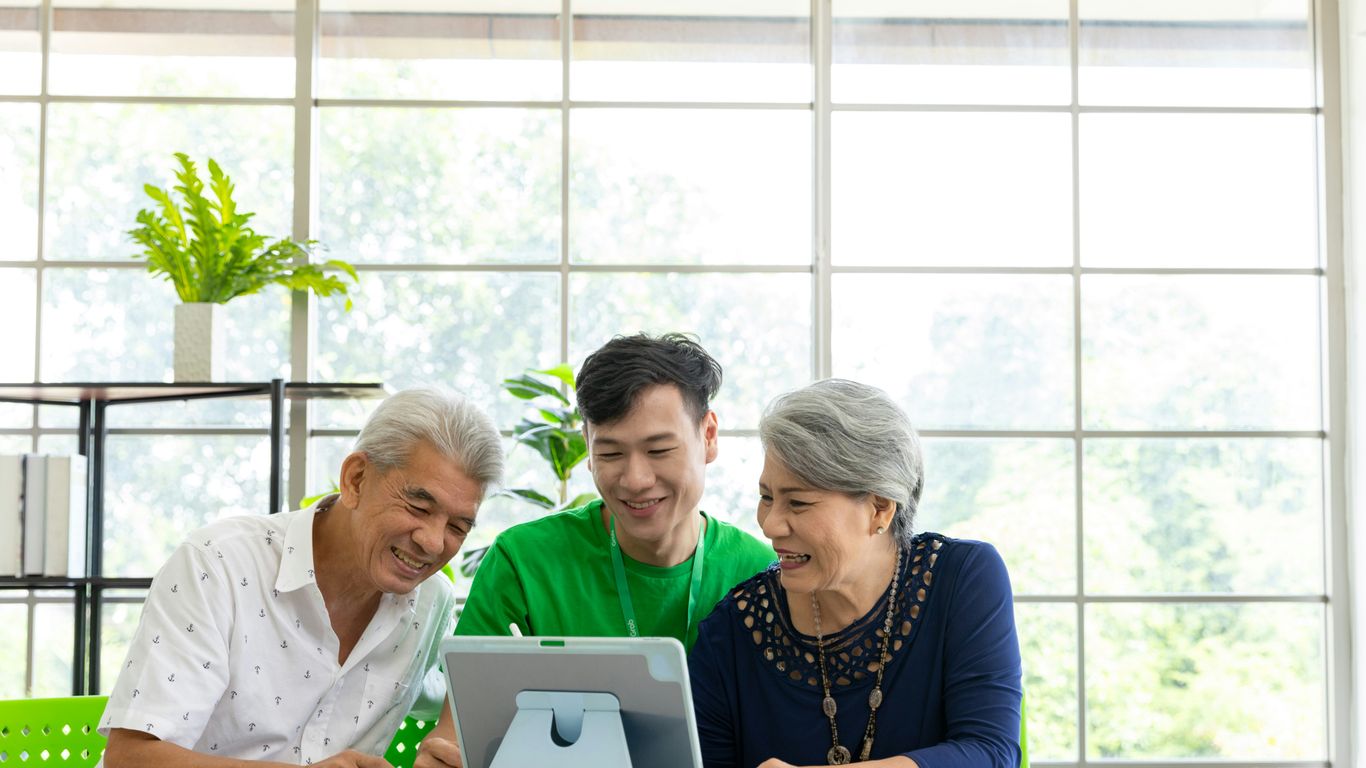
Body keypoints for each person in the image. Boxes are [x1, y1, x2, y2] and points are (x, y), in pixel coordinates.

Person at [415, 333, 776, 768]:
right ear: (587, 446)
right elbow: (457, 736)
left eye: (659, 450)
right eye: (610, 452)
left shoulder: (761, 574)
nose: (635, 480)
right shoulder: (525, 561)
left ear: (709, 436)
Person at [98, 388, 504, 768]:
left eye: (458, 527)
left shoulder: (430, 602)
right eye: (418, 507)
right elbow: (129, 757)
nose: (433, 543)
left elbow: (461, 695)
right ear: (356, 479)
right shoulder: (219, 564)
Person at [690, 379, 1023, 768]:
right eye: (767, 497)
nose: (770, 524)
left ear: (880, 508)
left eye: (798, 503)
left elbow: (990, 752)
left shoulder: (963, 579)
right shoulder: (730, 634)